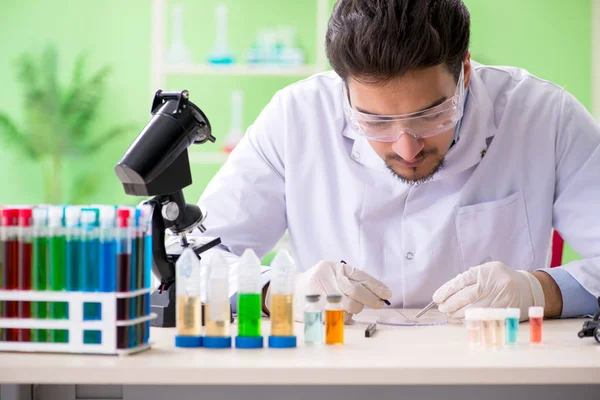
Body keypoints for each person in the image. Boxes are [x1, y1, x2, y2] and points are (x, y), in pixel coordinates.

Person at [188, 0, 600, 322]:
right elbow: (185, 258)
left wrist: (540, 291)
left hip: (496, 374)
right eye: (375, 120)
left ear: (466, 74)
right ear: (344, 90)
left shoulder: (546, 116)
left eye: (432, 115)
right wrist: (276, 292)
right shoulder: (296, 117)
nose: (406, 148)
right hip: (336, 376)